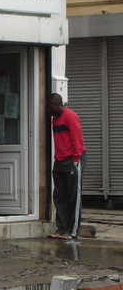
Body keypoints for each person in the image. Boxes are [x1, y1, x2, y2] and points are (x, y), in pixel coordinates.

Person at [48, 93, 86, 240]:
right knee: (59, 196)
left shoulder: (70, 116)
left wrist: (76, 159)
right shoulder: (55, 119)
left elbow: (77, 138)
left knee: (73, 196)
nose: (48, 109)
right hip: (59, 160)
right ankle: (61, 229)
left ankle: (72, 231)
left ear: (58, 104)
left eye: (50, 106)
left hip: (73, 159)